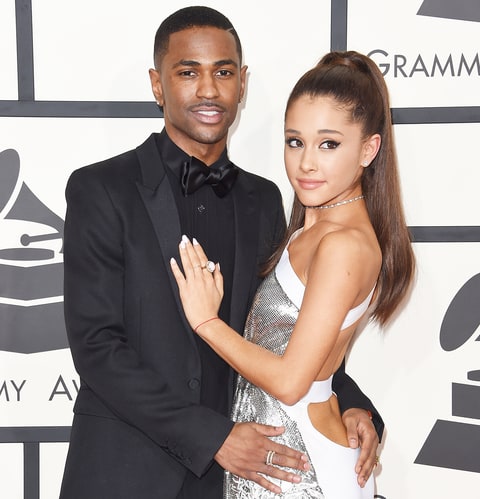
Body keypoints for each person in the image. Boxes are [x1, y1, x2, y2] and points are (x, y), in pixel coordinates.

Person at [59, 6, 384, 499]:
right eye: (188, 72)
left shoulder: (264, 199)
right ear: (157, 83)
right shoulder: (101, 189)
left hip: (235, 482)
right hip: (125, 472)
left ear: (243, 83)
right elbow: (98, 349)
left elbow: (288, 332)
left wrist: (355, 404)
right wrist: (213, 439)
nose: (209, 90)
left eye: (224, 72)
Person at [171, 49, 416, 498]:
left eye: (329, 144)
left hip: (303, 469)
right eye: (294, 141)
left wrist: (207, 322)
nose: (306, 163)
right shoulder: (309, 224)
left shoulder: (343, 244)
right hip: (277, 462)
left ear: (369, 148)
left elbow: (290, 381)